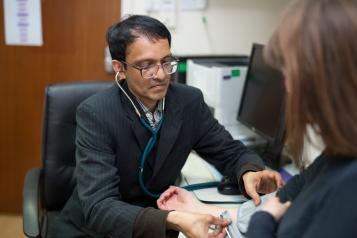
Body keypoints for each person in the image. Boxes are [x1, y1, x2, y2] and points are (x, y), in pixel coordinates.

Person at [57, 15, 283, 238]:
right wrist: (174, 219)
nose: (162, 74)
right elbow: (99, 207)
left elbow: (230, 152)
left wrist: (250, 172)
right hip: (101, 229)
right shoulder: (96, 113)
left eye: (167, 62)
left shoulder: (188, 102)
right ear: (120, 68)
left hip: (160, 220)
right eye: (146, 66)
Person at [158, 0, 357, 237]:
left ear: (323, 77)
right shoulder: (338, 154)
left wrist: (264, 218)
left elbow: (272, 211)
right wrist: (204, 210)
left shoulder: (349, 187)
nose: (287, 87)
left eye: (290, 72)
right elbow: (292, 190)